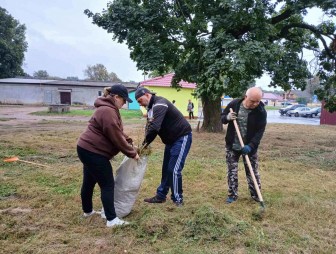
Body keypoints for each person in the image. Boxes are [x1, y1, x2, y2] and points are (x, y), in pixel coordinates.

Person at [77, 84, 140, 227]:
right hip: (93, 152)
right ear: (116, 97)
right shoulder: (107, 110)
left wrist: (128, 139)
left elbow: (115, 129)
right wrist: (132, 153)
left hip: (86, 149)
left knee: (89, 181)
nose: (124, 104)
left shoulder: (108, 109)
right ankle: (112, 220)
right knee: (107, 184)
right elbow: (115, 135)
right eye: (124, 101)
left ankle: (88, 211)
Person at [135, 87, 192, 207]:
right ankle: (161, 196)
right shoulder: (151, 108)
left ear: (147, 95)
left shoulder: (160, 104)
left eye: (140, 100)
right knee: (166, 169)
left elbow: (155, 128)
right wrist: (144, 142)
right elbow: (149, 127)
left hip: (181, 137)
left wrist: (144, 145)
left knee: (174, 169)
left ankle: (177, 199)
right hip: (170, 141)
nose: (140, 104)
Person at [221, 87, 267, 204]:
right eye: (253, 101)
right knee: (232, 172)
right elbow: (222, 118)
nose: (256, 104)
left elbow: (259, 132)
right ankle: (232, 195)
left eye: (258, 101)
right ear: (246, 97)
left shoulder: (261, 111)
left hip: (249, 147)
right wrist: (227, 117)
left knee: (252, 172)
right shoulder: (234, 104)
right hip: (232, 145)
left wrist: (251, 146)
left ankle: (257, 195)